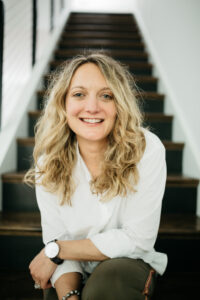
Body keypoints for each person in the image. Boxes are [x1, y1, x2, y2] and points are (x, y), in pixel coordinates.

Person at [24, 51, 167, 300]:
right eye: (79, 94)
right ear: (63, 103)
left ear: (119, 104)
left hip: (127, 263)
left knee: (106, 287)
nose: (92, 107)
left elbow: (137, 239)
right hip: (70, 265)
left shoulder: (147, 148)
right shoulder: (48, 161)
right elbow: (56, 240)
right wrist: (70, 295)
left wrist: (58, 250)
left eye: (106, 96)